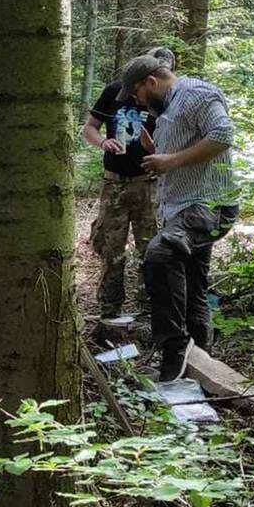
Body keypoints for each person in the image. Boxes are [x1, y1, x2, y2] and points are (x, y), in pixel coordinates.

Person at [118, 53, 240, 382]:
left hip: (209, 205)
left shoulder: (198, 93)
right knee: (194, 282)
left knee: (159, 255)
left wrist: (170, 161)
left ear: (151, 82)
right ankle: (201, 363)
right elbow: (182, 152)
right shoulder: (169, 108)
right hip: (184, 208)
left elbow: (223, 135)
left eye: (137, 94)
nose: (138, 102)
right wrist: (154, 149)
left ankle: (173, 355)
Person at [81, 47, 175, 319]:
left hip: (148, 184)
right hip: (114, 184)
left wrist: (156, 149)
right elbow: (89, 127)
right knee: (111, 250)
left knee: (151, 249)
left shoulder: (167, 99)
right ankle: (110, 311)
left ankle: (148, 311)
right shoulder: (115, 91)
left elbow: (175, 143)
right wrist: (102, 142)